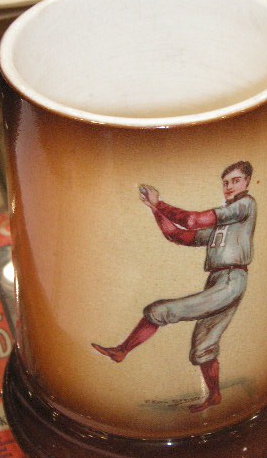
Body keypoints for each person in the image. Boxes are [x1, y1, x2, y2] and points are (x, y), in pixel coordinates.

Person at [92, 161, 257, 413]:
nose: (229, 187)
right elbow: (178, 235)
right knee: (203, 348)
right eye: (225, 182)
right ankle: (214, 396)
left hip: (230, 281)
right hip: (220, 281)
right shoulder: (224, 223)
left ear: (247, 182)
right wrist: (154, 209)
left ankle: (122, 351)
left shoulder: (245, 205)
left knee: (160, 310)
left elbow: (191, 220)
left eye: (235, 181)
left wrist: (159, 203)